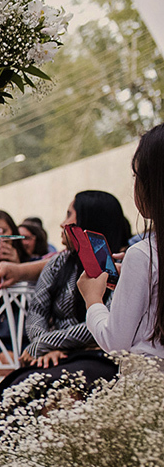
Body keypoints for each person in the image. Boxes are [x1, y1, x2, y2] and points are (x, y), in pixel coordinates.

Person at [0, 190, 131, 396]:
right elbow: (37, 311)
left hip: (99, 355)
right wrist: (46, 349)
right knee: (18, 390)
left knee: (56, 392)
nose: (62, 223)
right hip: (53, 357)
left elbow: (104, 322)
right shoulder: (58, 263)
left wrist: (45, 344)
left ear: (88, 221)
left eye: (69, 215)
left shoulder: (120, 266)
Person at [79, 124, 164, 359]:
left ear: (152, 185)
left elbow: (114, 341)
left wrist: (93, 299)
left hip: (148, 387)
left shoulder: (144, 254)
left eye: (136, 175)